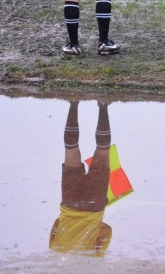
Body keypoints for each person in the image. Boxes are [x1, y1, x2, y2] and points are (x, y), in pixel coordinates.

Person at [49, 100, 112, 256]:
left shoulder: (93, 258)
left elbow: (107, 231)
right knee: (71, 150)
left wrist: (95, 223)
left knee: (102, 152)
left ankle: (103, 106)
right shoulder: (55, 250)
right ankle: (73, 103)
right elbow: (56, 224)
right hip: (70, 202)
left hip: (94, 206)